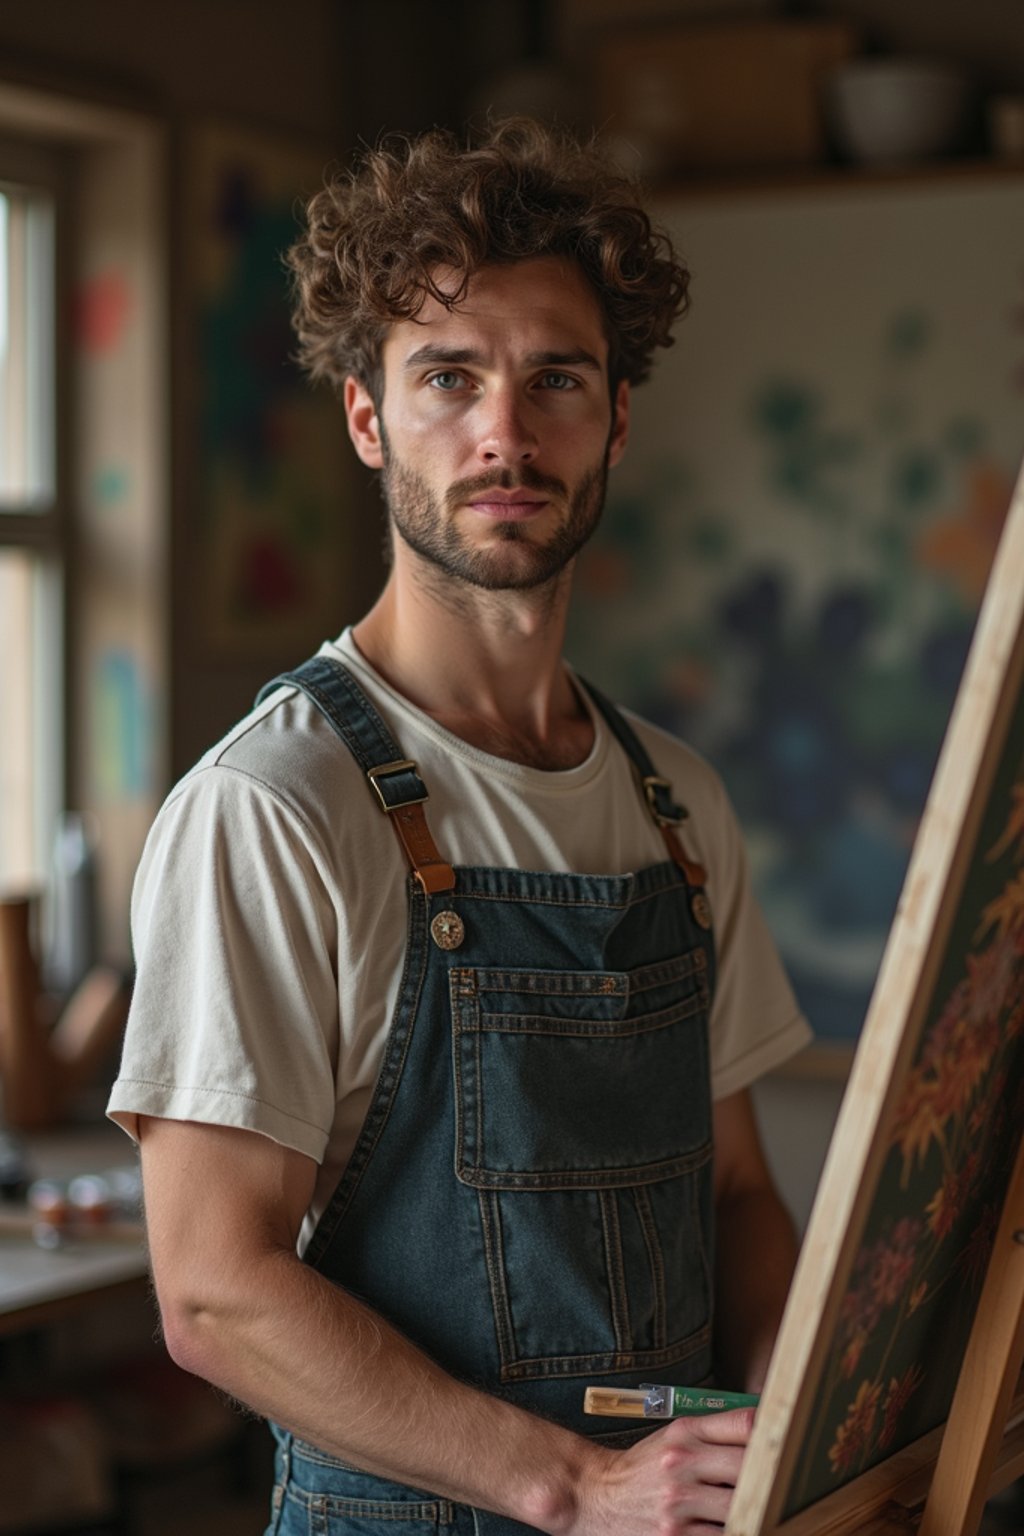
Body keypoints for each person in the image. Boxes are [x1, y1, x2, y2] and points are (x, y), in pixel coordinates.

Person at [108, 118, 812, 1535]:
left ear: (615, 417)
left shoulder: (675, 803)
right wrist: (576, 1488)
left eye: (556, 377)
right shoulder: (271, 807)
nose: (506, 431)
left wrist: (797, 1429)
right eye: (449, 378)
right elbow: (214, 1292)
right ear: (368, 418)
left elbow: (736, 1189)